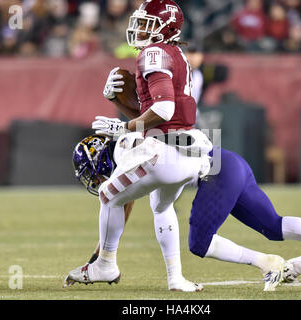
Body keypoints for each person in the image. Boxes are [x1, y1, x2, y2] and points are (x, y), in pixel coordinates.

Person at [66, 134, 301, 292]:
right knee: (273, 226)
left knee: (198, 242)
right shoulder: (130, 147)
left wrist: (103, 256)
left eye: (93, 176)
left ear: (99, 162)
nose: (96, 183)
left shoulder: (127, 157)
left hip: (215, 173)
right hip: (227, 159)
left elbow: (125, 200)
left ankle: (265, 262)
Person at [65, 0, 214, 292]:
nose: (140, 29)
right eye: (140, 22)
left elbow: (165, 110)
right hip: (186, 152)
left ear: (165, 27)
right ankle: (176, 279)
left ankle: (105, 265)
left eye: (147, 23)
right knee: (162, 207)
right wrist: (119, 104)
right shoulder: (175, 53)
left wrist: (123, 126)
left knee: (109, 194)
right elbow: (161, 114)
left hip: (165, 153)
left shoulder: (154, 53)